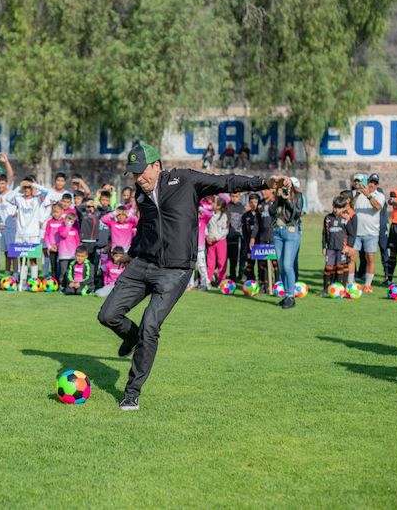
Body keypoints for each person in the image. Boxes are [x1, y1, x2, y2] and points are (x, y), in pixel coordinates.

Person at [97, 141, 282, 410]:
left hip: (175, 269)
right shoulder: (140, 193)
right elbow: (146, 227)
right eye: (134, 174)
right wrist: (132, 253)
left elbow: (227, 182)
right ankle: (131, 337)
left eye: (142, 171)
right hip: (142, 264)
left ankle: (132, 391)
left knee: (150, 325)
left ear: (157, 165)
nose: (139, 178)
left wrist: (266, 182)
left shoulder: (184, 180)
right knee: (108, 315)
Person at [271, 183, 303, 308]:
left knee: (287, 265)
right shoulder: (278, 198)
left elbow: (297, 213)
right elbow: (271, 211)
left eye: (285, 188)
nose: (283, 190)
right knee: (281, 266)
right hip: (277, 232)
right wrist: (278, 198)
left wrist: (288, 199)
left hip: (291, 231)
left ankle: (291, 296)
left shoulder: (298, 196)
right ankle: (286, 296)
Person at [352, 174, 385, 292]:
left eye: (375, 183)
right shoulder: (356, 193)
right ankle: (351, 284)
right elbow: (350, 207)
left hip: (371, 233)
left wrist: (368, 195)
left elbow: (377, 207)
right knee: (352, 258)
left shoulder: (379, 196)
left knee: (370, 259)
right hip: (355, 232)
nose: (372, 184)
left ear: (377, 185)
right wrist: (356, 195)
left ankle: (367, 285)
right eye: (370, 182)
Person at [321, 196, 357, 296]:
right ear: (332, 206)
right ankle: (325, 289)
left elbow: (352, 234)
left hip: (342, 248)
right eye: (335, 207)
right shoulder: (328, 218)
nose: (336, 210)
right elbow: (324, 233)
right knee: (328, 267)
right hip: (331, 248)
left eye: (339, 208)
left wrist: (348, 247)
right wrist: (324, 246)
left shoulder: (346, 218)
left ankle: (342, 289)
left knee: (340, 267)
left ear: (343, 208)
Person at [206, 195, 229, 287]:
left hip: (220, 242)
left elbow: (225, 230)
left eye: (214, 203)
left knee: (221, 262)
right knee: (210, 262)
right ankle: (207, 281)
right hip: (210, 242)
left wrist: (215, 238)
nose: (212, 204)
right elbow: (206, 226)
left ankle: (221, 281)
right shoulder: (210, 214)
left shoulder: (224, 216)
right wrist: (207, 236)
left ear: (219, 206)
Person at [226, 192, 246, 282]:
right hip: (227, 235)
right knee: (229, 257)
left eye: (236, 196)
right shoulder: (227, 206)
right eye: (232, 196)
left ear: (240, 196)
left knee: (238, 257)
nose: (234, 198)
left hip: (239, 236)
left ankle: (239, 275)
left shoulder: (242, 207)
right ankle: (230, 275)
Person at [57, 212, 81, 288]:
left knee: (72, 272)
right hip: (64, 255)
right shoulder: (61, 228)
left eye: (72, 220)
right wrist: (68, 226)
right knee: (63, 271)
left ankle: (70, 286)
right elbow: (64, 235)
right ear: (64, 219)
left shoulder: (75, 230)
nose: (70, 221)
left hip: (73, 255)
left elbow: (77, 242)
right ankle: (62, 286)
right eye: (68, 219)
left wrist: (77, 254)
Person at [43, 203, 65, 280]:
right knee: (53, 265)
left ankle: (61, 282)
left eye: (57, 212)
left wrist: (59, 245)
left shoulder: (64, 222)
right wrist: (49, 246)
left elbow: (64, 235)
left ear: (62, 211)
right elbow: (46, 235)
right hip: (52, 248)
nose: (55, 214)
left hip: (61, 248)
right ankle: (54, 281)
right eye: (53, 212)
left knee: (61, 266)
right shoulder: (49, 222)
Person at [241, 193, 260, 282]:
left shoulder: (261, 214)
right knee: (250, 264)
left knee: (261, 264)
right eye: (251, 202)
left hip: (260, 243)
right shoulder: (246, 216)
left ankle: (263, 282)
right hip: (249, 244)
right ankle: (251, 281)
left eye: (255, 202)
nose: (253, 204)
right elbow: (244, 230)